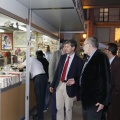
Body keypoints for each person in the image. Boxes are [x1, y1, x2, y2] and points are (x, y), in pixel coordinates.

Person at [50, 40, 83, 120]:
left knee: (68, 109)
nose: (65, 48)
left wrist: (77, 93)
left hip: (70, 87)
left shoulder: (79, 61)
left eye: (67, 46)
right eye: (64, 46)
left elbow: (80, 77)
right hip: (59, 84)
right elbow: (57, 71)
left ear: (73, 48)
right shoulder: (62, 57)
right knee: (59, 108)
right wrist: (52, 84)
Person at [80, 37, 111, 120]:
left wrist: (103, 101)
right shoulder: (88, 57)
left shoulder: (101, 56)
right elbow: (85, 76)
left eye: (84, 45)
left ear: (89, 45)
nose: (82, 47)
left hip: (95, 101)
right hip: (86, 101)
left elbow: (106, 80)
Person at [18, 52, 48, 120]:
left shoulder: (29, 59)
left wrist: (17, 65)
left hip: (39, 79)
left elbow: (20, 66)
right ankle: (38, 115)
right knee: (41, 98)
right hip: (43, 78)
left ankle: (40, 118)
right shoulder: (36, 60)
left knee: (39, 99)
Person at [49, 40, 67, 120]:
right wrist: (52, 82)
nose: (67, 48)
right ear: (63, 47)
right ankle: (54, 118)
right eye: (66, 46)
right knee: (55, 102)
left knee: (64, 103)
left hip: (65, 83)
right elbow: (51, 67)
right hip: (56, 82)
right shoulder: (56, 54)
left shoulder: (69, 55)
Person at [105, 43, 120, 120]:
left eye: (106, 49)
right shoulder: (108, 62)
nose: (105, 51)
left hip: (114, 98)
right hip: (109, 96)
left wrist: (112, 96)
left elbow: (118, 84)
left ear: (110, 51)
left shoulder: (117, 63)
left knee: (114, 116)